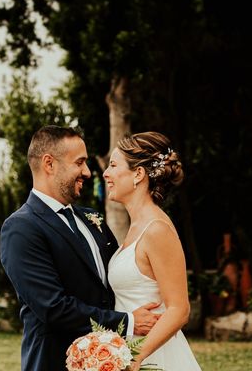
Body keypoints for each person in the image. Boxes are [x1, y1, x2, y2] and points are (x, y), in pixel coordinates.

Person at [0, 125, 160, 371]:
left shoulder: (91, 218)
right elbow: (53, 308)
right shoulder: (21, 228)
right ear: (49, 164)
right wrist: (127, 322)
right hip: (56, 362)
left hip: (114, 359)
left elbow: (116, 279)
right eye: (79, 162)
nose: (87, 172)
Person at [104, 131, 202, 370]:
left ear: (138, 174)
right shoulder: (135, 227)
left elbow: (179, 310)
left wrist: (135, 357)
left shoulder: (157, 229)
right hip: (129, 348)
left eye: (113, 165)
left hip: (154, 354)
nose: (106, 173)